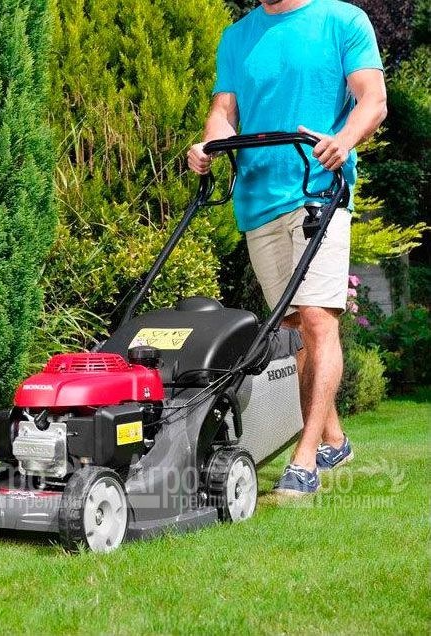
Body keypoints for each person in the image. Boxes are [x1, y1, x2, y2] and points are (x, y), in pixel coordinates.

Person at [188, 0, 387, 495]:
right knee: (295, 327)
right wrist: (209, 145)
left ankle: (306, 459)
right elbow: (224, 112)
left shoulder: (342, 20)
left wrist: (344, 140)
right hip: (258, 201)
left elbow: (373, 99)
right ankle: (335, 439)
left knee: (318, 319)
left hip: (318, 190)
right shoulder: (238, 37)